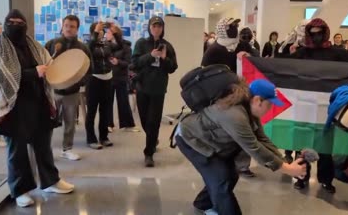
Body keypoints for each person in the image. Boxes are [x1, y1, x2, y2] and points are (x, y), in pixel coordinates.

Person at [175, 79, 306, 215]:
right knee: (221, 180)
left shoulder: (248, 108)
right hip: (192, 140)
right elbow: (254, 148)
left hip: (212, 141)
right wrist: (287, 169)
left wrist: (284, 163)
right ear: (257, 100)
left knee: (231, 175)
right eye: (270, 104)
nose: (271, 108)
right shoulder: (234, 115)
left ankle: (202, 204)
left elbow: (261, 139)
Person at [0, 9, 74, 208]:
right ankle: (19, 190)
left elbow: (47, 65)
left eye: (19, 21)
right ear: (6, 24)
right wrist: (34, 72)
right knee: (17, 150)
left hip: (36, 103)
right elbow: (2, 76)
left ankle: (50, 181)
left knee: (43, 143)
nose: (16, 25)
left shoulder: (33, 45)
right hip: (12, 106)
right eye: (11, 21)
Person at [286, 18, 348, 193]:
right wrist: (250, 58)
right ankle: (301, 177)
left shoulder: (336, 52)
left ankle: (326, 179)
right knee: (302, 142)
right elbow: (279, 63)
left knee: (326, 144)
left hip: (327, 106)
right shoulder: (302, 53)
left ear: (325, 32)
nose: (316, 36)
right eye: (313, 32)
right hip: (305, 105)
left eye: (320, 32)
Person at [202, 18, 258, 177]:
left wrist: (249, 56)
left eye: (235, 26)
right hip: (222, 97)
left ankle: (243, 165)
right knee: (224, 131)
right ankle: (221, 161)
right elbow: (205, 72)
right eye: (230, 26)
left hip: (243, 95)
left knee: (244, 129)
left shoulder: (243, 45)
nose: (234, 28)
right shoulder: (214, 49)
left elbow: (257, 58)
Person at [132, 16, 178, 167]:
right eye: (154, 26)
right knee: (145, 120)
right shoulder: (141, 43)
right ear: (149, 27)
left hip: (158, 89)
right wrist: (150, 56)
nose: (156, 29)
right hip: (142, 86)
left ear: (163, 28)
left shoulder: (168, 46)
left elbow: (173, 68)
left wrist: (164, 59)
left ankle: (149, 153)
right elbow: (134, 64)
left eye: (159, 26)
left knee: (154, 121)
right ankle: (153, 139)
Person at [45, 15, 91, 161]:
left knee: (70, 122)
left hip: (72, 92)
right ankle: (45, 150)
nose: (68, 29)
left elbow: (89, 70)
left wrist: (79, 81)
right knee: (48, 122)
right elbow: (41, 64)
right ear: (62, 26)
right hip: (53, 92)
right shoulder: (52, 44)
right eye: (66, 25)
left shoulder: (82, 48)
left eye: (72, 26)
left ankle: (67, 149)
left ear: (77, 29)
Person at [85, 21, 114, 149]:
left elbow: (115, 51)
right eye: (98, 30)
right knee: (91, 111)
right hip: (94, 79)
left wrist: (113, 30)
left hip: (108, 79)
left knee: (105, 110)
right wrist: (95, 32)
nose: (101, 32)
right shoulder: (88, 45)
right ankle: (91, 139)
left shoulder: (107, 44)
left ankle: (104, 137)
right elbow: (88, 49)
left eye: (102, 30)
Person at [106, 24, 139, 132]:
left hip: (121, 77)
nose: (107, 34)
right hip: (109, 76)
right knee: (108, 101)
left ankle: (127, 124)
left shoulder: (126, 46)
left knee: (123, 101)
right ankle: (108, 124)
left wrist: (118, 62)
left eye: (109, 32)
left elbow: (129, 63)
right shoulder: (107, 46)